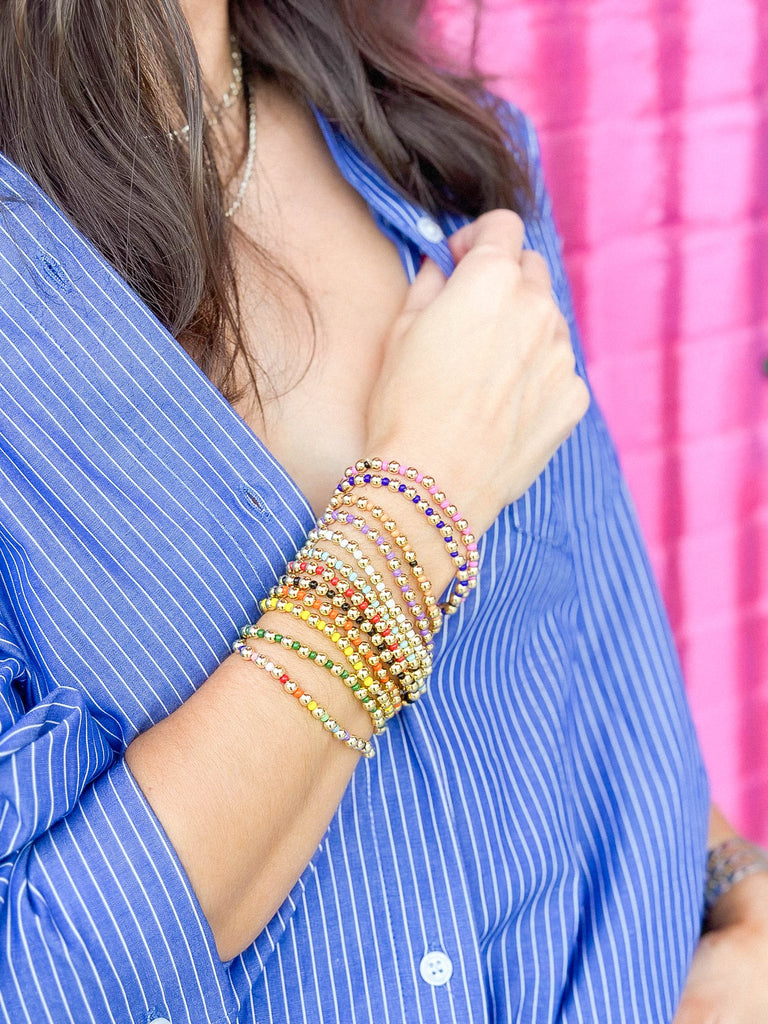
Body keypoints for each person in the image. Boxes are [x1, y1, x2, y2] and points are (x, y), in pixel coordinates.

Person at [0, 1, 766, 1021]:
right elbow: (39, 972)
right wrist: (420, 500)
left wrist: (735, 889)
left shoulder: (435, 157)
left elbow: (590, 634)